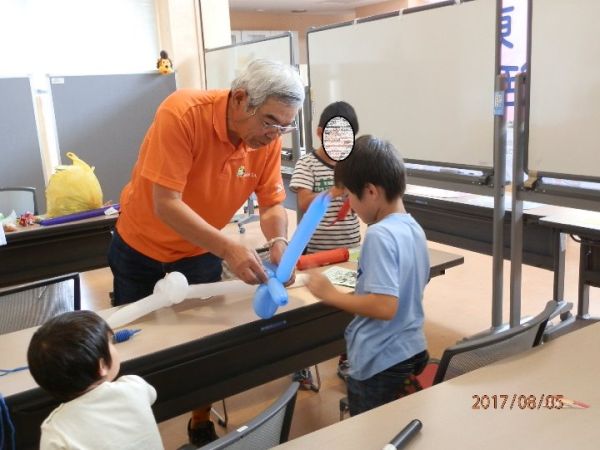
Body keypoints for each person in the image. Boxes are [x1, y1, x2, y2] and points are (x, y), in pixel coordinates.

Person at [107, 58, 304, 446]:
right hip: (140, 247)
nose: (275, 135)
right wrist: (229, 247)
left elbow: (271, 205)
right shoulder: (182, 114)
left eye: (285, 125)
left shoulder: (266, 140)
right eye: (270, 122)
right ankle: (132, 427)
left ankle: (199, 418)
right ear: (241, 99)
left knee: (204, 343)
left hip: (199, 250)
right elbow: (167, 203)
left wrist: (280, 241)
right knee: (134, 345)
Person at [305, 135, 430, 416]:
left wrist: (331, 294)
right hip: (411, 348)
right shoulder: (413, 228)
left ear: (371, 192)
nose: (349, 204)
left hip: (380, 359)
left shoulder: (379, 234)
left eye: (349, 195)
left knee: (370, 434)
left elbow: (384, 306)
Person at [289, 101, 361, 387]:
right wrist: (334, 190)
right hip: (317, 252)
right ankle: (301, 364)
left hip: (351, 248)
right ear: (320, 133)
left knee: (350, 307)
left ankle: (347, 357)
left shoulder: (353, 164)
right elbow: (304, 202)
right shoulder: (308, 164)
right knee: (310, 311)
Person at [27, 310, 163, 450]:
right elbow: (151, 395)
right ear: (102, 365)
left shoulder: (56, 432)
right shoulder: (134, 386)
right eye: (111, 342)